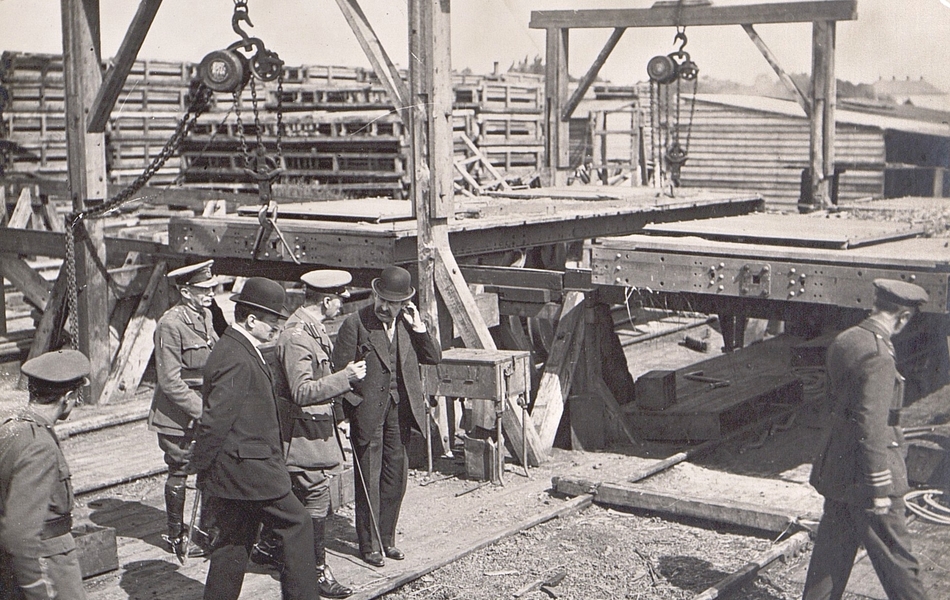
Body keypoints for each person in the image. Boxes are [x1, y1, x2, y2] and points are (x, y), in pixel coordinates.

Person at [191, 277, 319, 600]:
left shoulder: (237, 347)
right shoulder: (235, 355)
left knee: (233, 543)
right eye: (272, 322)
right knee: (298, 525)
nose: (276, 328)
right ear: (251, 320)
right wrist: (201, 470)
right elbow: (214, 421)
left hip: (240, 469)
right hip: (251, 470)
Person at [803, 279, 931, 600]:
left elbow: (836, 407)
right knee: (898, 560)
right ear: (902, 317)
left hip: (839, 467)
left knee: (832, 555)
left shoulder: (847, 340)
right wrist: (879, 488)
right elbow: (871, 426)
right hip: (867, 474)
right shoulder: (879, 356)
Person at [253, 270, 365, 598]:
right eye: (338, 299)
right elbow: (301, 391)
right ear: (326, 301)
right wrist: (346, 377)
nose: (341, 304)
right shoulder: (298, 336)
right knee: (315, 494)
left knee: (299, 494)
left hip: (313, 429)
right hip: (299, 433)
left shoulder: (312, 329)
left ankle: (267, 546)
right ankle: (317, 571)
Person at [332, 265, 441, 567]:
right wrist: (341, 416)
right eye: (380, 299)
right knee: (369, 478)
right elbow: (339, 371)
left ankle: (387, 539)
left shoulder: (408, 324)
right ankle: (369, 545)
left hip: (399, 412)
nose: (383, 306)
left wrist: (419, 328)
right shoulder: (355, 323)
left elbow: (433, 357)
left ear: (404, 304)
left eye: (391, 303)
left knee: (395, 478)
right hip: (366, 413)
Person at [0, 349, 90, 600]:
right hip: (48, 565)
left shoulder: (11, 429)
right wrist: (36, 588)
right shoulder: (39, 445)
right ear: (68, 397)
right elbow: (20, 534)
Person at [147, 259, 220, 559]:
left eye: (212, 287)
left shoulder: (205, 316)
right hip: (177, 415)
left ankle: (206, 529)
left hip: (205, 406)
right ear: (186, 292)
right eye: (204, 289)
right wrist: (202, 411)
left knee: (210, 466)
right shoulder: (170, 324)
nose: (211, 293)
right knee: (180, 469)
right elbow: (169, 381)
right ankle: (176, 535)